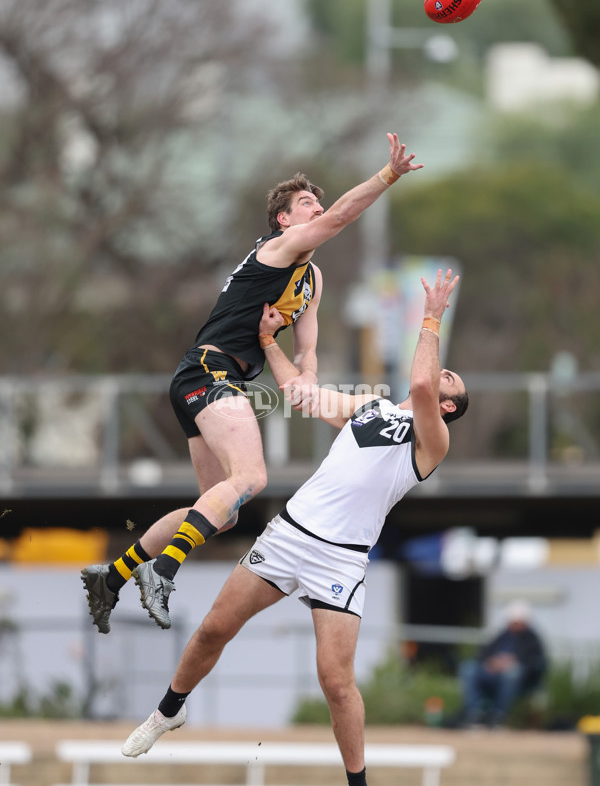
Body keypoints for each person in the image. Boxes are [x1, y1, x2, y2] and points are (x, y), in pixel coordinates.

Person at [119, 269, 468, 786]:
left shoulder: (432, 439)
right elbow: (300, 395)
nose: (441, 377)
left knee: (335, 681)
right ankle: (167, 713)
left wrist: (431, 317)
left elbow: (424, 387)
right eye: (445, 370)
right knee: (213, 629)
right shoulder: (372, 408)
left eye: (452, 381)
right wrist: (265, 341)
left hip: (341, 558)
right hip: (289, 535)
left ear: (450, 409)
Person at [81, 134, 424, 635]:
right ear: (283, 220)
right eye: (307, 203)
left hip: (208, 378)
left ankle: (112, 576)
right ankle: (163, 570)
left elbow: (306, 350)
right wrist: (387, 175)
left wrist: (304, 379)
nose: (319, 209)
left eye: (318, 202)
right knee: (252, 479)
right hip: (210, 372)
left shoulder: (312, 279)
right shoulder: (280, 249)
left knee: (218, 512)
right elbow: (343, 217)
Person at [458, 600, 547, 728]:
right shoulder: (502, 635)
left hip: (517, 678)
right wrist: (491, 662)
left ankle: (498, 715)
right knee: (468, 668)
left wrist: (511, 662)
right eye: (513, 621)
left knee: (513, 673)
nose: (514, 624)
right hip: (492, 673)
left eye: (518, 621)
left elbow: (535, 662)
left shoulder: (532, 639)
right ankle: (475, 713)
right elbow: (482, 653)